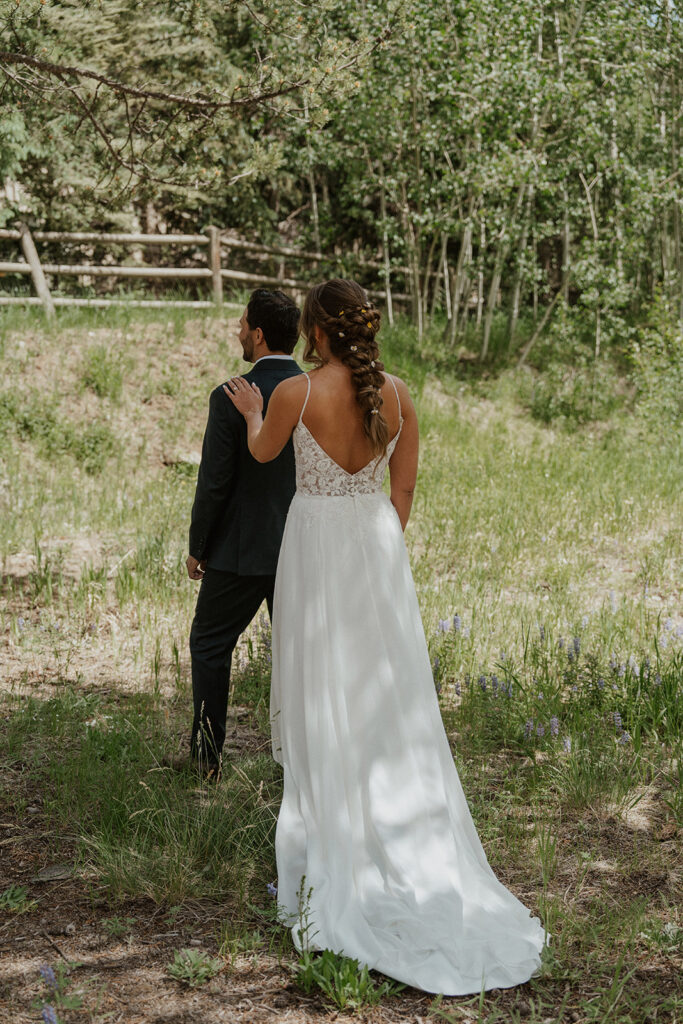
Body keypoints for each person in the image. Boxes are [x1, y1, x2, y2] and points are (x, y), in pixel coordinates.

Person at [224, 278, 547, 995]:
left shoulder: (292, 394)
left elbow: (264, 455)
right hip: (374, 549)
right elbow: (401, 493)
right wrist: (375, 555)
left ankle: (329, 831)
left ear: (314, 329)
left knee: (318, 682)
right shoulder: (396, 395)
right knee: (386, 694)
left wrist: (250, 412)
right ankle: (391, 818)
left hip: (311, 546)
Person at [184, 289, 303, 778]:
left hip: (238, 550)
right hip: (302, 546)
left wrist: (198, 547)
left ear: (257, 334)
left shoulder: (230, 395)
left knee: (210, 645)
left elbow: (215, 481)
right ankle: (301, 761)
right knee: (300, 655)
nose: (236, 329)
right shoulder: (316, 393)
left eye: (241, 322)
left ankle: (208, 761)